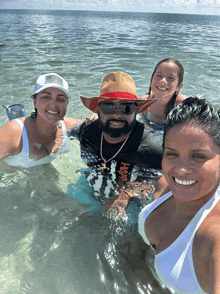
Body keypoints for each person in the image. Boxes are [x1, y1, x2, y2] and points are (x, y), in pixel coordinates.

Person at [139, 97, 220, 294]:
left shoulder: (215, 236)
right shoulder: (164, 186)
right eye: (172, 154)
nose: (181, 170)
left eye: (198, 156)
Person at [69, 71, 163, 221]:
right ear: (98, 110)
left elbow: (166, 178)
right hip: (92, 185)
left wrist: (126, 195)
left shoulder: (152, 146)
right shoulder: (88, 132)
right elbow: (65, 125)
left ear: (136, 111)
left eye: (126, 108)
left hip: (131, 203)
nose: (117, 114)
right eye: (108, 107)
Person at [0, 73, 82, 168]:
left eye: (60, 99)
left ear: (67, 104)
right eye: (46, 97)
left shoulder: (68, 125)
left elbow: (94, 128)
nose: (54, 104)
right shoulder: (15, 132)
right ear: (34, 101)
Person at [138, 58, 188, 133]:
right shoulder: (144, 102)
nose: (163, 81)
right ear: (151, 80)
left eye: (171, 78)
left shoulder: (182, 104)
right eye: (159, 75)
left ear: (179, 87)